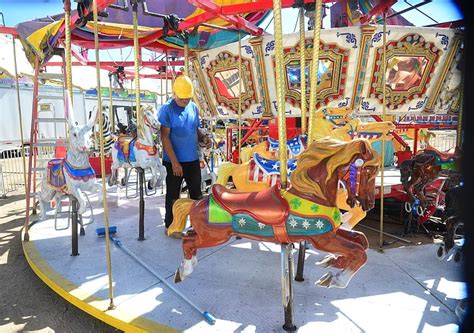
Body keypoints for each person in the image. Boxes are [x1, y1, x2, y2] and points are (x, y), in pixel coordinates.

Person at [158, 75, 211, 238]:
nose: (185, 102)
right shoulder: (167, 109)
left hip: (192, 159)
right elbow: (164, 136)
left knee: (196, 193)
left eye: (188, 98)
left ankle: (198, 225)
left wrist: (203, 138)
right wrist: (174, 162)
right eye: (182, 99)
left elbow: (194, 129)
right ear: (174, 94)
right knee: (174, 195)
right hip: (173, 161)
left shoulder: (193, 107)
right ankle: (171, 226)